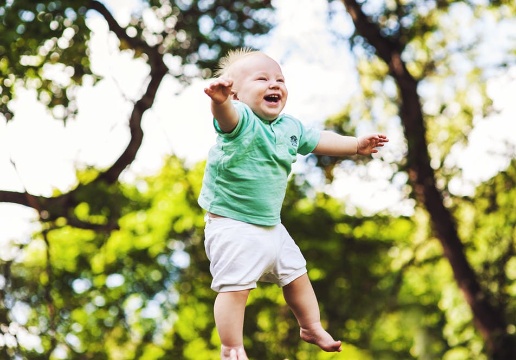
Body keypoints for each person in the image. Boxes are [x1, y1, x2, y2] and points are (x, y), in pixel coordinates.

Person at [198, 48, 389, 360]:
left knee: (297, 274)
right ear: (236, 93)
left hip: (272, 226)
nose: (274, 85)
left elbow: (320, 139)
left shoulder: (290, 127)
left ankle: (311, 326)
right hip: (233, 225)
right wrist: (219, 102)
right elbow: (227, 117)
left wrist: (356, 145)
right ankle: (231, 346)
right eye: (262, 79)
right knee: (235, 289)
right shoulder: (241, 119)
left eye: (280, 80)